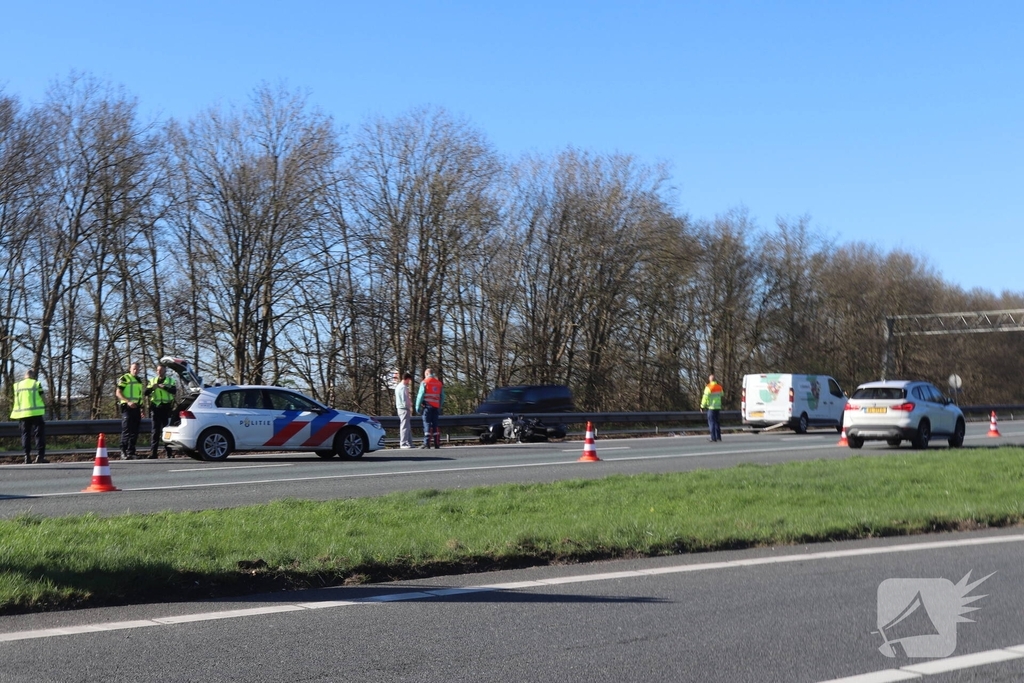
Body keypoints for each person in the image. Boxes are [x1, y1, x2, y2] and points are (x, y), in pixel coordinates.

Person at [11, 369, 47, 464]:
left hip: (23, 414)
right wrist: (45, 404)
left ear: (25, 376)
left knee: (25, 435)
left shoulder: (17, 385)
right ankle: (40, 456)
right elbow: (43, 397)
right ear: (33, 375)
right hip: (36, 413)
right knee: (39, 434)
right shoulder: (36, 384)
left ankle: (27, 456)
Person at [144, 363, 177, 459]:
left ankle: (169, 453)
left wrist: (164, 387)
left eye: (161, 370)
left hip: (166, 408)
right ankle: (153, 453)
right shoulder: (152, 381)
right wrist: (152, 388)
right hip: (155, 408)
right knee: (155, 431)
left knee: (167, 431)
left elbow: (174, 391)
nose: (159, 372)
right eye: (158, 370)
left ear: (165, 371)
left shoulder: (170, 380)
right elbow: (145, 393)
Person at [116, 362, 144, 460]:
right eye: (134, 369)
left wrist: (141, 408)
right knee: (126, 430)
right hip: (127, 407)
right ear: (130, 369)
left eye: (137, 369)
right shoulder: (125, 378)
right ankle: (123, 451)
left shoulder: (139, 380)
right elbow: (118, 392)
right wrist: (128, 401)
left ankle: (131, 452)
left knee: (135, 431)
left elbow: (139, 396)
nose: (135, 371)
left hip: (136, 407)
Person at [415, 367, 444, 449]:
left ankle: (427, 443)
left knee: (427, 423)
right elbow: (442, 396)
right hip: (436, 407)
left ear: (427, 374)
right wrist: (439, 405)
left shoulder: (425, 382)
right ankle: (437, 443)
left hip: (427, 407)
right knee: (435, 424)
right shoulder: (439, 383)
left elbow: (420, 395)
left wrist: (417, 407)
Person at [701, 373, 724, 442]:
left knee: (711, 423)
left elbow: (705, 397)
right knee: (717, 422)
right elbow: (722, 394)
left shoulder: (708, 387)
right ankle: (718, 437)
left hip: (711, 407)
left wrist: (702, 406)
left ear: (710, 380)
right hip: (718, 407)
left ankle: (713, 438)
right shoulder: (719, 387)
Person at [394, 371, 415, 449]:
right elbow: (405, 399)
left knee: (407, 426)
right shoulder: (403, 387)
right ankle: (403, 443)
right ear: (407, 379)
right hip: (404, 408)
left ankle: (409, 442)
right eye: (409, 380)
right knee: (405, 426)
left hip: (400, 407)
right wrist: (409, 406)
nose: (409, 382)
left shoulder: (398, 386)